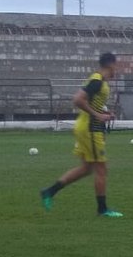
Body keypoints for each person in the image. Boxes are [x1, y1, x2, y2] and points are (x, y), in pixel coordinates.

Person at [39, 52, 122, 217]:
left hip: (85, 126)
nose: (117, 69)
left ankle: (49, 191)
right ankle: (102, 210)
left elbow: (89, 102)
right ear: (111, 64)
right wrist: (98, 115)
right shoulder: (97, 81)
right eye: (116, 65)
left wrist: (103, 113)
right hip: (91, 129)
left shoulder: (98, 80)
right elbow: (78, 99)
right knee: (101, 169)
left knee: (86, 168)